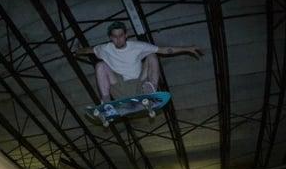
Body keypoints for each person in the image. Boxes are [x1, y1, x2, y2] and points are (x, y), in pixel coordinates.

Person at [75, 21, 203, 110]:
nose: (118, 39)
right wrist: (78, 51)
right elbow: (89, 50)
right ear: (110, 37)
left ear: (126, 35)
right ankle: (106, 101)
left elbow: (164, 50)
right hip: (118, 87)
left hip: (140, 85)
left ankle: (150, 90)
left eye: (121, 36)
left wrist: (187, 48)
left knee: (152, 55)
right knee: (100, 65)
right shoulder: (104, 48)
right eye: (115, 37)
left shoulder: (138, 46)